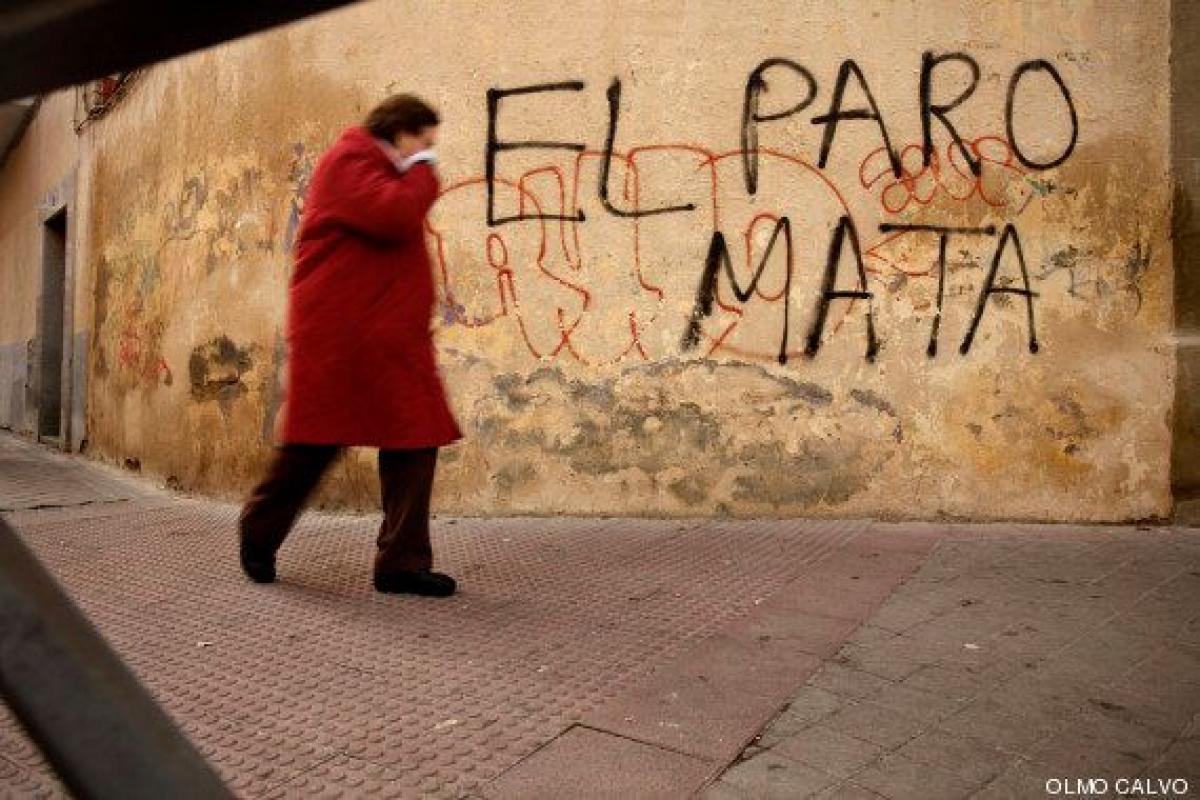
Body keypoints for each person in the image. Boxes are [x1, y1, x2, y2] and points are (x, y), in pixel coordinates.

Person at [238, 94, 461, 597]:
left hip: (391, 340)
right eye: (423, 141)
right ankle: (258, 529)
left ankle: (401, 563)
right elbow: (394, 215)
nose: (427, 152)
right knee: (314, 446)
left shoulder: (380, 170)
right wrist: (424, 170)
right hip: (340, 338)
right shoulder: (349, 160)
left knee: (415, 440)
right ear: (398, 132)